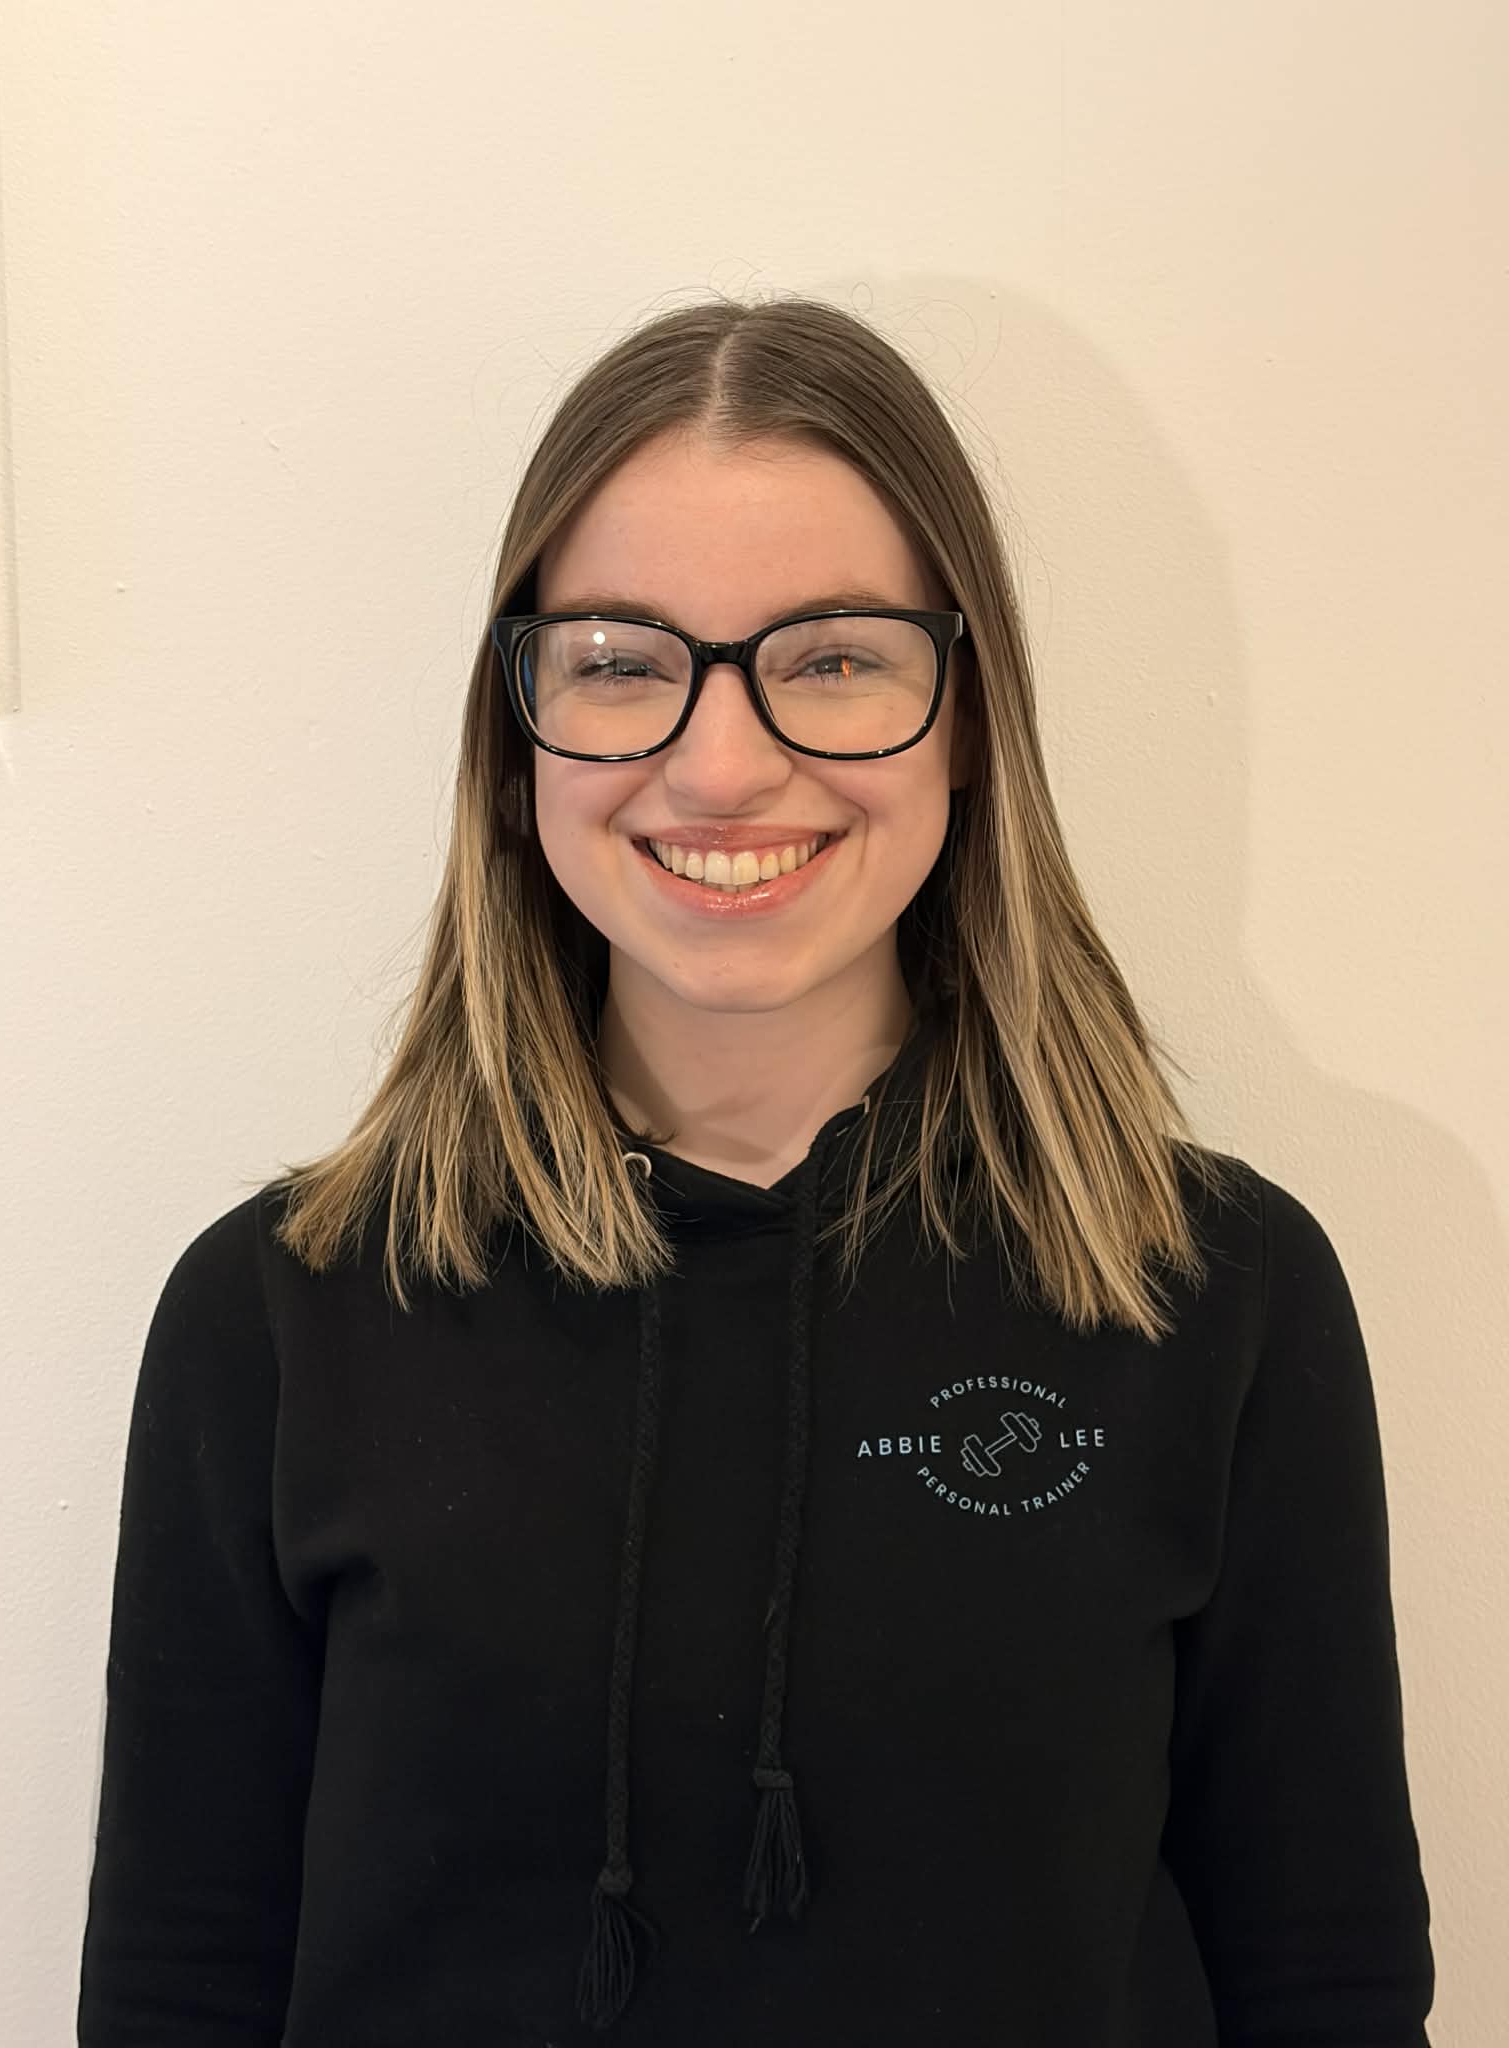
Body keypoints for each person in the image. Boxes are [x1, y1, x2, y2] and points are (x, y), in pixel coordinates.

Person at [77, 295, 1435, 2046]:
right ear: (518, 736)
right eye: (622, 662)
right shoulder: (281, 1313)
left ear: (969, 718)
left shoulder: (1213, 1290)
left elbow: (1325, 1983)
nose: (722, 765)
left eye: (835, 659)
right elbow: (179, 1984)